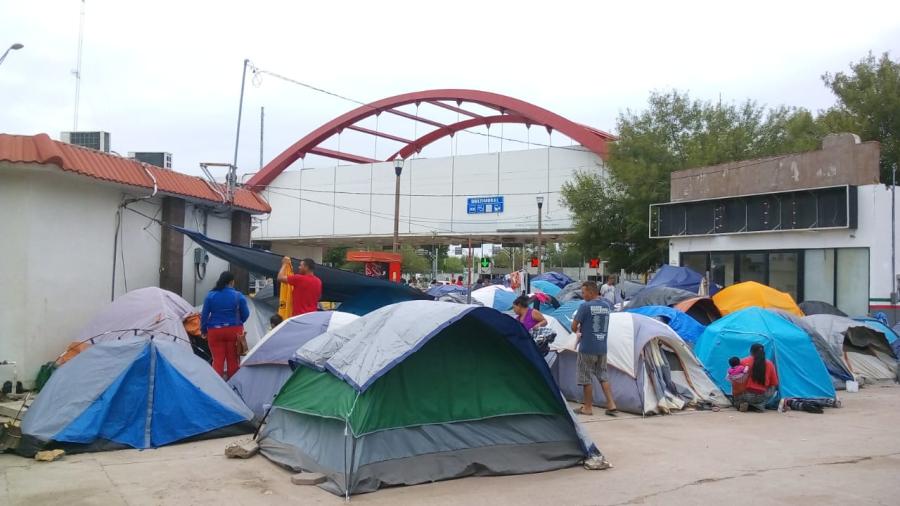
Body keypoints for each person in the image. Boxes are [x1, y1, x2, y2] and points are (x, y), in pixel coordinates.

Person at [572, 281, 617, 416]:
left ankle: (588, 407)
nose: (582, 295)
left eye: (584, 292)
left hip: (587, 347)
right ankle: (611, 404)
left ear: (591, 292)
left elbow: (574, 327)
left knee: (586, 378)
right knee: (603, 375)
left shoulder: (585, 307)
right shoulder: (606, 306)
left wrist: (579, 329)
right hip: (602, 346)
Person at [201, 271, 250, 380]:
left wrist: (203, 330)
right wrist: (237, 321)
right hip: (234, 331)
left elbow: (204, 316)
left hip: (215, 331)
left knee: (217, 360)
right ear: (232, 282)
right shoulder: (238, 296)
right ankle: (233, 387)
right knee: (233, 360)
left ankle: (217, 387)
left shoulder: (210, 295)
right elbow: (246, 315)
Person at [733, 343, 779, 412]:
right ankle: (758, 405)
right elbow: (774, 383)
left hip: (744, 395)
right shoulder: (770, 364)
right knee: (773, 386)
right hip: (762, 396)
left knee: (734, 377)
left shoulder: (743, 361)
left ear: (750, 351)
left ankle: (740, 404)